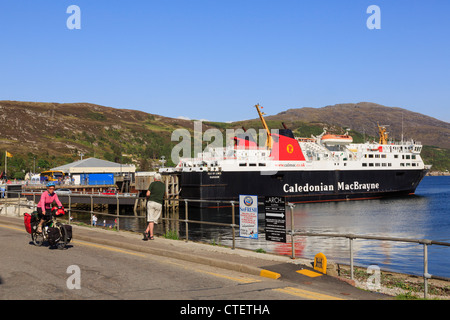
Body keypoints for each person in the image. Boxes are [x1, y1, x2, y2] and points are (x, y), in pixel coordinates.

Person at [143, 173, 166, 240]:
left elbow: (148, 194)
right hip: (159, 203)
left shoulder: (152, 184)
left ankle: (151, 236)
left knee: (151, 220)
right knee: (154, 220)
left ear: (155, 178)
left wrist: (147, 197)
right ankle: (146, 231)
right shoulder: (163, 185)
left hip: (151, 202)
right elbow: (164, 194)